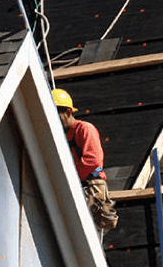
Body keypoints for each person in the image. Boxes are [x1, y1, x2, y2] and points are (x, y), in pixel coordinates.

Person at [53, 88, 117, 231]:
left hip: (91, 186)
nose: (53, 121)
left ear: (68, 112)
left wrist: (69, 176)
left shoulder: (84, 129)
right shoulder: (59, 135)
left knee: (88, 230)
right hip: (75, 184)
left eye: (56, 115)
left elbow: (92, 161)